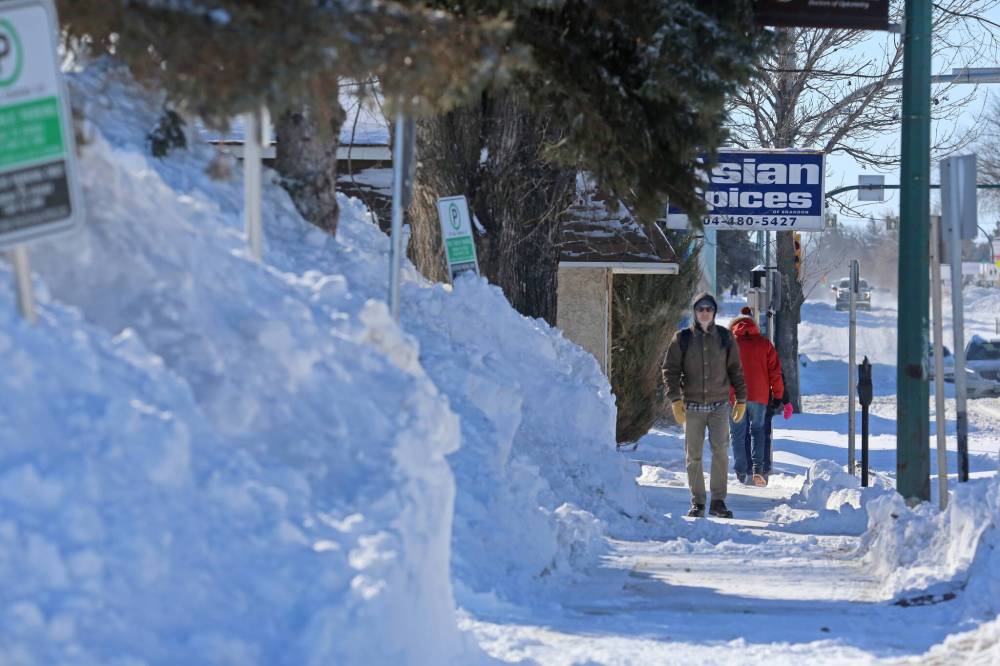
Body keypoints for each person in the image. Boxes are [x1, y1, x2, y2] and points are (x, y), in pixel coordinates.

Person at [663, 293, 748, 519]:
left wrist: (741, 398)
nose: (704, 312)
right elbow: (669, 370)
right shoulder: (681, 338)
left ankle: (718, 501)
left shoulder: (725, 337)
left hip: (719, 407)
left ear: (714, 312)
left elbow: (736, 370)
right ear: (694, 312)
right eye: (700, 309)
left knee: (720, 453)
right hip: (691, 408)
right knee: (694, 457)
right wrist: (675, 399)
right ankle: (698, 502)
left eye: (708, 309)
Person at [728, 306, 783, 487]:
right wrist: (778, 395)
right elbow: (775, 372)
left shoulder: (729, 343)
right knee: (758, 431)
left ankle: (740, 470)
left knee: (737, 433)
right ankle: (757, 469)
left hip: (736, 396)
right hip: (759, 397)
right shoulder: (765, 344)